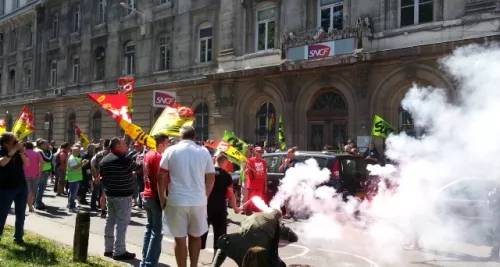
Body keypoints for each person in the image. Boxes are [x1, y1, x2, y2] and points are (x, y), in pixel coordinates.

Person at [158, 126, 216, 267]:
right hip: (198, 200)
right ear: (194, 137)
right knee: (196, 237)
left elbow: (161, 176)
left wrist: (162, 198)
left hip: (176, 200)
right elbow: (211, 177)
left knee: (179, 239)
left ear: (180, 137)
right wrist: (205, 196)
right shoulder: (203, 152)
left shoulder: (171, 150)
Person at [100, 137, 142, 260]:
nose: (127, 146)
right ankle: (119, 251)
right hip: (123, 196)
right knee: (122, 224)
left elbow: (102, 178)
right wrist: (143, 160)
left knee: (110, 221)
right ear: (117, 146)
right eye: (124, 144)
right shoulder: (124, 160)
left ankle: (108, 249)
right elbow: (138, 168)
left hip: (111, 195)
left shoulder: (104, 160)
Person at [211, 208, 298, 267]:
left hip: (237, 247)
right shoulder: (275, 222)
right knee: (279, 264)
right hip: (254, 256)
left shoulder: (254, 215)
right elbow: (294, 237)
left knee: (224, 243)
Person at [201, 154, 241, 257]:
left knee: (199, 235)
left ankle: (194, 261)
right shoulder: (226, 175)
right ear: (223, 162)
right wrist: (236, 208)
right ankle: (215, 261)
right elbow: (230, 193)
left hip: (205, 207)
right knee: (220, 237)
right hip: (220, 208)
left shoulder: (205, 172)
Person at [140, 133, 170, 267]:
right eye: (167, 143)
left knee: (149, 229)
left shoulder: (148, 154)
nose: (168, 146)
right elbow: (160, 178)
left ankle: (144, 261)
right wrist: (163, 199)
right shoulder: (158, 157)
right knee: (156, 231)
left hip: (147, 195)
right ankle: (150, 263)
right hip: (155, 197)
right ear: (161, 144)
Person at [0, 132, 30, 245]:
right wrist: (13, 151)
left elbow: (27, 164)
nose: (17, 143)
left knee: (21, 213)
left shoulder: (18, 152)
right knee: (2, 213)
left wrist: (22, 153)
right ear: (6, 144)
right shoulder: (1, 151)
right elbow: (2, 163)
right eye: (14, 141)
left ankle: (18, 237)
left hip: (21, 186)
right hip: (5, 188)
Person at [244, 146, 268, 215]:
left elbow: (265, 174)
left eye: (261, 152)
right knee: (251, 199)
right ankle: (248, 212)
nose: (260, 153)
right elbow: (245, 172)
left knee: (259, 198)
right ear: (255, 152)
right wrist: (248, 169)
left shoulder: (264, 162)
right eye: (259, 151)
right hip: (252, 183)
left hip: (260, 183)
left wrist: (265, 185)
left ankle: (258, 213)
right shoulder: (250, 160)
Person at [91, 139, 110, 217]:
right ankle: (108, 211)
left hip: (100, 176)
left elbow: (92, 163)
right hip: (109, 177)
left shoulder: (98, 154)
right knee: (107, 194)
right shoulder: (111, 153)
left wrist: (95, 176)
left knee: (102, 194)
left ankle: (103, 211)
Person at [66, 146, 89, 213]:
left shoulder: (75, 158)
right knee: (73, 193)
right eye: (78, 151)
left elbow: (79, 167)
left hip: (75, 178)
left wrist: (84, 163)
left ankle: (71, 205)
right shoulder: (72, 158)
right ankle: (71, 207)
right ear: (74, 151)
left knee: (72, 192)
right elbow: (75, 167)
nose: (79, 152)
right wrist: (82, 163)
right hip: (73, 178)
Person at [24, 142, 43, 212]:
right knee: (33, 191)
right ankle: (30, 206)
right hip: (35, 174)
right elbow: (42, 162)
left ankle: (29, 207)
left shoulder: (24, 154)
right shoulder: (37, 153)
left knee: (28, 191)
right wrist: (40, 172)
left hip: (25, 175)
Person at [34, 139, 53, 210]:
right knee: (41, 188)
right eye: (46, 144)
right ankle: (38, 203)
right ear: (41, 145)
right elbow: (48, 159)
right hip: (42, 171)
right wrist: (50, 151)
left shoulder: (41, 151)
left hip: (44, 171)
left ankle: (36, 201)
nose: (47, 145)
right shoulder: (40, 151)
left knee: (40, 188)